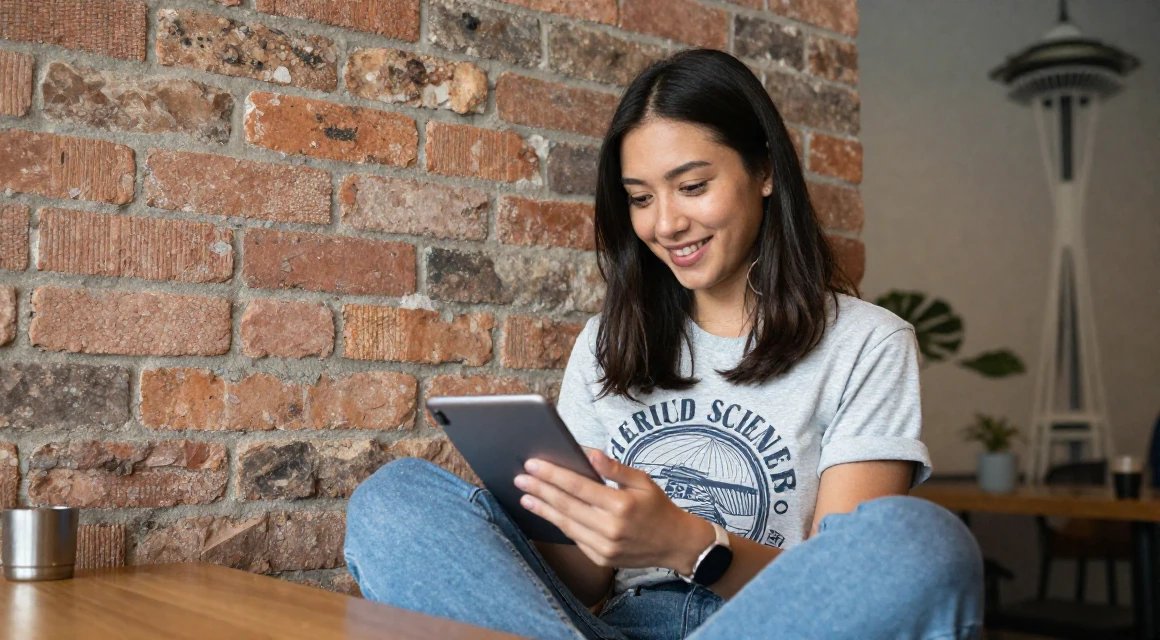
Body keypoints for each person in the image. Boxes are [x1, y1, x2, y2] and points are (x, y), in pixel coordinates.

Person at [344, 48, 984, 640]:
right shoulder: (607, 344)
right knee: (394, 500)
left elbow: (844, 586)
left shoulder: (866, 343)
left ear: (763, 170)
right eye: (641, 199)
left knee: (921, 540)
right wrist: (564, 515)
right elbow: (586, 585)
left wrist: (687, 543)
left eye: (693, 186)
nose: (666, 223)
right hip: (609, 630)